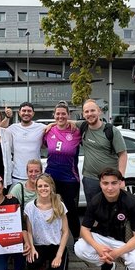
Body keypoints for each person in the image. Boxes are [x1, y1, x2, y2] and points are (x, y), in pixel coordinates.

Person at [74, 168, 135, 270]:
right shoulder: (95, 201)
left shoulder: (132, 202)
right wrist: (98, 247)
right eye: (105, 183)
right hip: (103, 239)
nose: (109, 188)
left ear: (120, 183)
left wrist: (117, 253)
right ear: (100, 184)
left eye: (114, 183)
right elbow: (84, 230)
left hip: (127, 241)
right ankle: (107, 265)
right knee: (79, 248)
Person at [24, 173, 70, 270]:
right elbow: (29, 231)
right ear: (36, 188)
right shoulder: (30, 207)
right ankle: (42, 264)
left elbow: (65, 232)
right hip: (39, 246)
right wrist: (32, 248)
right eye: (40, 186)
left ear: (51, 187)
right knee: (31, 263)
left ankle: (54, 264)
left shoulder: (59, 205)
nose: (43, 188)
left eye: (46, 186)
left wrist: (59, 255)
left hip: (56, 247)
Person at [44, 101, 81, 241]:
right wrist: (50, 125)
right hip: (51, 179)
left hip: (69, 179)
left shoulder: (76, 131)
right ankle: (53, 239)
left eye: (63, 114)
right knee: (51, 210)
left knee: (70, 211)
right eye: (57, 114)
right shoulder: (48, 131)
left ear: (68, 115)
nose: (60, 116)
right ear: (54, 115)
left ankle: (77, 239)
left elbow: (89, 124)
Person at [79, 99, 127, 204]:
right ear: (83, 114)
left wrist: (121, 178)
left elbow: (123, 154)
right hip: (90, 179)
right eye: (86, 112)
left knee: (113, 210)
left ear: (99, 111)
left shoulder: (111, 131)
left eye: (93, 110)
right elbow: (65, 122)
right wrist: (50, 125)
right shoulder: (83, 127)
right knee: (94, 211)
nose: (89, 114)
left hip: (110, 179)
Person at [7, 102, 46, 184]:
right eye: (24, 111)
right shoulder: (13, 128)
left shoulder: (41, 127)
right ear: (19, 113)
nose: (26, 113)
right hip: (17, 176)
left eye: (29, 111)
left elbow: (57, 126)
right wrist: (7, 117)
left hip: (35, 176)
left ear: (33, 113)